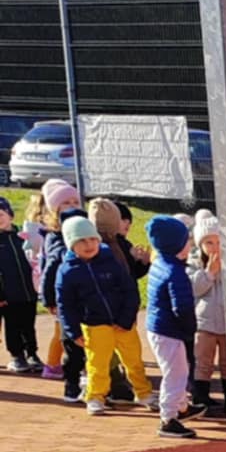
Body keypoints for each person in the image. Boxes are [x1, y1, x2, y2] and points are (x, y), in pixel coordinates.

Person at [56, 214, 152, 418]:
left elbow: (129, 290)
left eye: (93, 239)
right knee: (97, 364)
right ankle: (95, 397)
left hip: (122, 324)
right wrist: (73, 331)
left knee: (133, 360)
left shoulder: (111, 261)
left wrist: (126, 319)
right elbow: (65, 304)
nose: (89, 245)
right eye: (82, 241)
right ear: (71, 244)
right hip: (94, 325)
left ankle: (144, 393)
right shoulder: (67, 271)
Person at [145, 216, 199, 439]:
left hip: (159, 327)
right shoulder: (175, 272)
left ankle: (182, 407)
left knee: (178, 369)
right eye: (187, 240)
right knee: (176, 373)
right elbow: (182, 307)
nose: (190, 243)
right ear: (176, 245)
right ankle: (168, 418)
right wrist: (190, 328)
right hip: (169, 330)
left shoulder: (160, 263)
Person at [39, 179, 82, 388]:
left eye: (75, 201)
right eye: (66, 202)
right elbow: (50, 269)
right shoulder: (55, 237)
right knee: (63, 332)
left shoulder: (81, 230)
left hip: (78, 291)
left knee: (68, 330)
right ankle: (53, 365)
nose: (72, 205)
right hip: (61, 293)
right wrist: (48, 298)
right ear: (54, 210)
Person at [188, 212, 226, 418]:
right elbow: (194, 289)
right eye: (209, 242)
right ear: (200, 244)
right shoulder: (194, 264)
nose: (215, 247)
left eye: (219, 242)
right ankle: (200, 399)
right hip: (204, 323)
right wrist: (209, 273)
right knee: (203, 362)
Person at [0, 197, 40, 372]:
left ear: (10, 215)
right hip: (8, 294)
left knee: (29, 325)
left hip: (29, 291)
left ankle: (32, 354)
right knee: (13, 325)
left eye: (1, 214)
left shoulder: (22, 236)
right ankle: (17, 355)